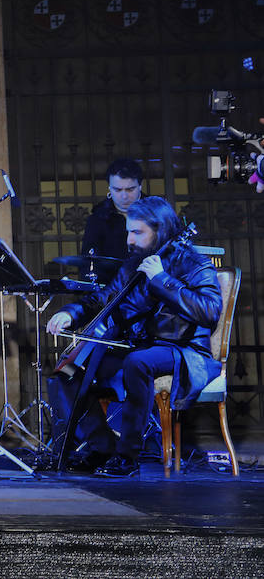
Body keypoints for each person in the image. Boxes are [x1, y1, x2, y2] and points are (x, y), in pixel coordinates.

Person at [45, 196, 221, 477]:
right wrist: (71, 313)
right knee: (66, 373)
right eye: (129, 231)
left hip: (183, 350)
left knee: (138, 362)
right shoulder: (132, 266)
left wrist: (162, 278)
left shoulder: (193, 263)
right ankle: (102, 448)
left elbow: (210, 311)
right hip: (140, 347)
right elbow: (103, 300)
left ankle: (128, 458)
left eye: (138, 232)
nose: (130, 239)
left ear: (160, 230)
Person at [80, 158, 144, 264]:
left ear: (140, 186)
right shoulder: (97, 218)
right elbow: (89, 261)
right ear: (109, 188)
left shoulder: (157, 212)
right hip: (110, 279)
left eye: (130, 189)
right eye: (117, 190)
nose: (124, 196)